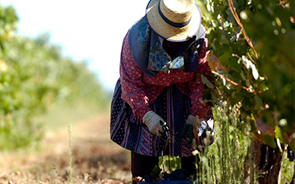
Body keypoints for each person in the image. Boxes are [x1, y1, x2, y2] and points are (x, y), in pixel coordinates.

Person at [110, 0, 214, 182]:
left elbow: (202, 81)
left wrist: (195, 116)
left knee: (194, 152)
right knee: (145, 161)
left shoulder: (200, 42)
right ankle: (145, 178)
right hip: (146, 94)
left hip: (186, 93)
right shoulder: (136, 40)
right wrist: (148, 116)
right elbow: (131, 83)